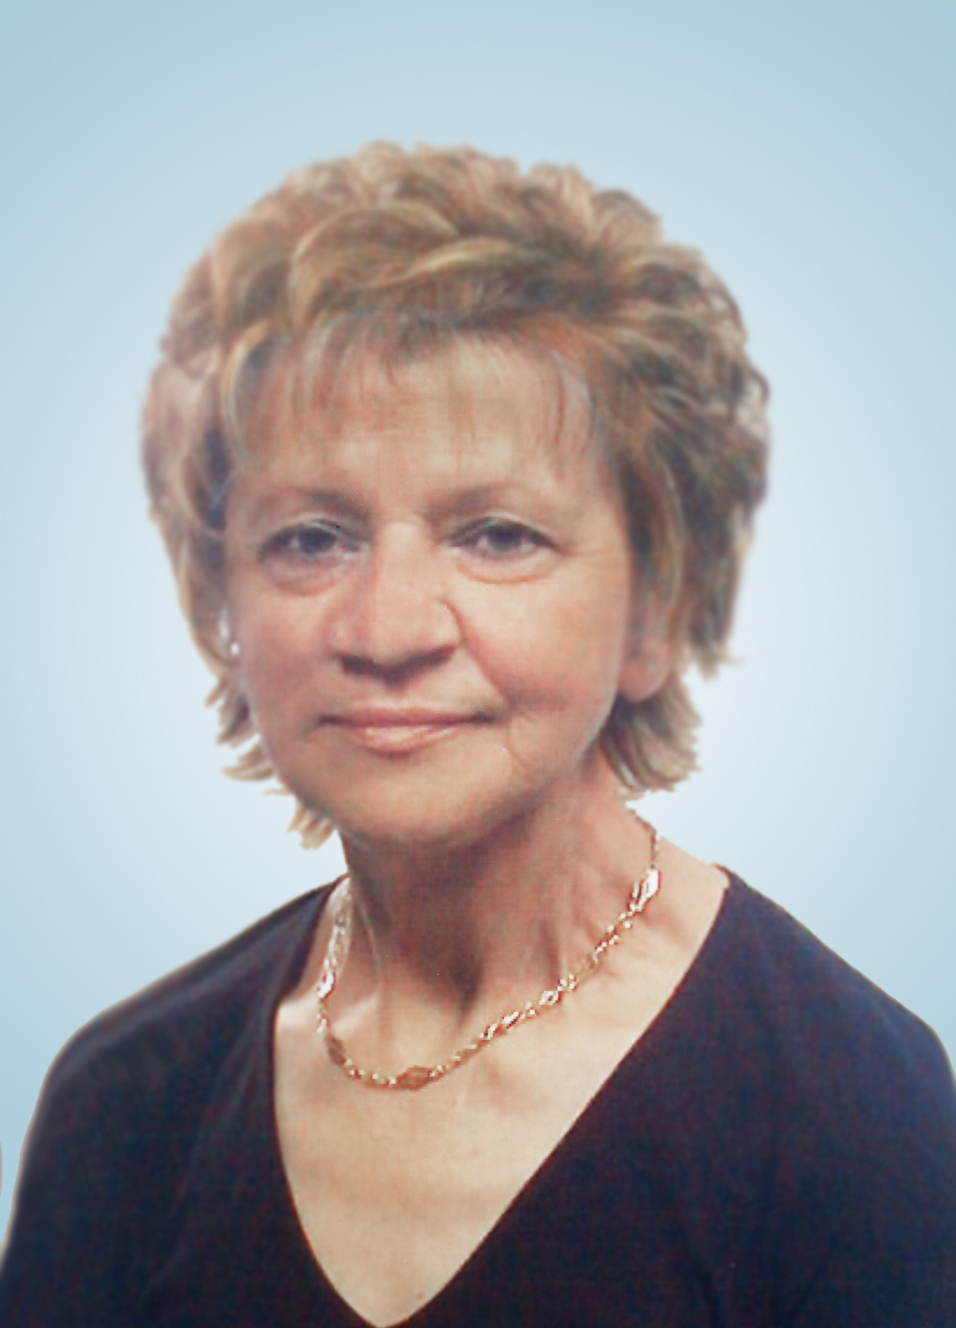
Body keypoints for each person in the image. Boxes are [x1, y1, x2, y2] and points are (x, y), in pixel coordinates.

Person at [1, 143, 954, 1327]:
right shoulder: (124, 1104)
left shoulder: (848, 1116)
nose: (388, 627)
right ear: (223, 608)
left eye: (497, 535)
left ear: (655, 611)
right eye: (311, 538)